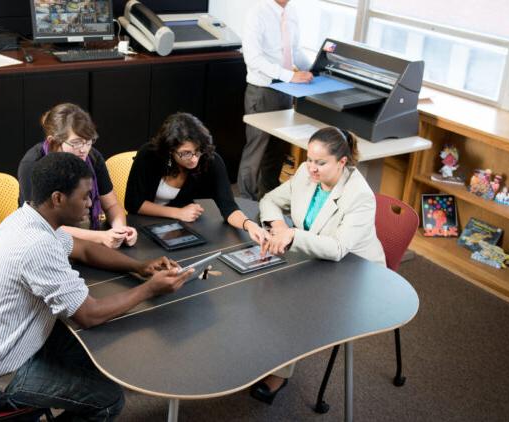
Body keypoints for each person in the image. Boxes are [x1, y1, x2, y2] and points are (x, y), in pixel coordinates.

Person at [0, 152, 193, 420]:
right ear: (58, 198)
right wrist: (150, 289)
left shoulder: (29, 218)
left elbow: (84, 250)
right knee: (109, 400)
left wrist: (139, 266)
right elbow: (89, 314)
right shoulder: (37, 246)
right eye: (84, 196)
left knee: (97, 358)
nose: (91, 204)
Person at [251, 127, 385, 404]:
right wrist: (278, 225)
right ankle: (263, 356)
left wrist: (293, 235)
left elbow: (337, 248)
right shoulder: (305, 173)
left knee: (293, 303)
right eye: (309, 159)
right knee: (264, 286)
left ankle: (279, 373)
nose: (311, 167)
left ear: (342, 162)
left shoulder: (359, 196)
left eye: (320, 162)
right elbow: (270, 200)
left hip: (356, 273)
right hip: (316, 259)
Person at [124, 112, 269, 244]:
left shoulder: (210, 161)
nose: (194, 159)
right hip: (142, 225)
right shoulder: (149, 155)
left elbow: (228, 207)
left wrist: (249, 225)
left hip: (178, 227)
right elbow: (133, 204)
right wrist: (178, 213)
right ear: (170, 150)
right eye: (185, 153)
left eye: (197, 150)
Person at [18, 102, 138, 249]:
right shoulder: (32, 165)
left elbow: (112, 205)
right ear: (53, 142)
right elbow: (44, 225)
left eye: (88, 142)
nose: (84, 150)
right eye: (76, 143)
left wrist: (120, 231)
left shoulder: (93, 157)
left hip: (89, 233)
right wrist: (101, 237)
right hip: (45, 241)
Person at [237, 0, 314, 201]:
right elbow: (253, 59)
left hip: (286, 91)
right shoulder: (257, 12)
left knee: (277, 151)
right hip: (262, 90)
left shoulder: (291, 11)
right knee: (257, 151)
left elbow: (293, 50)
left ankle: (268, 199)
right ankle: (246, 202)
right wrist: (289, 76)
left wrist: (313, 69)